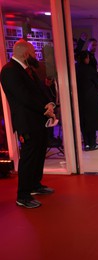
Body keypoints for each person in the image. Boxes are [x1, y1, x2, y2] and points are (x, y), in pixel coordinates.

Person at [0, 39, 56, 208]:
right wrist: (43, 108)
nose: (35, 56)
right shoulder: (9, 71)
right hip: (26, 122)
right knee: (29, 157)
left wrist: (49, 104)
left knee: (39, 154)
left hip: (38, 120)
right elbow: (23, 97)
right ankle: (23, 195)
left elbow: (40, 90)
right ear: (25, 53)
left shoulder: (28, 69)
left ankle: (35, 185)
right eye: (33, 53)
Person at [75, 51, 98, 151]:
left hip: (79, 99)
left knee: (84, 122)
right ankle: (93, 144)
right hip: (91, 98)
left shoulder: (75, 68)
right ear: (85, 58)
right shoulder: (89, 69)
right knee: (92, 121)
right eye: (88, 58)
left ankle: (87, 144)